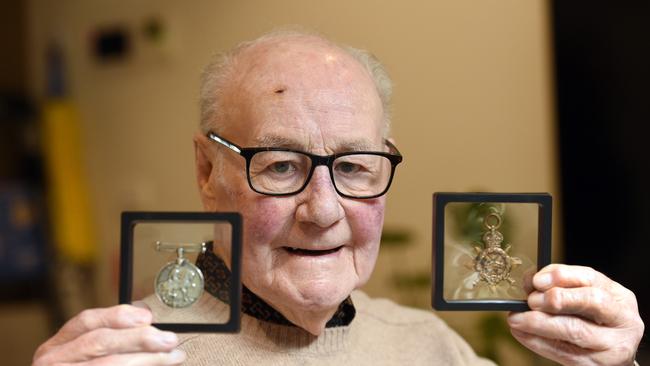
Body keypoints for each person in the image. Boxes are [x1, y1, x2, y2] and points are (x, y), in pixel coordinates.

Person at [32, 30, 644, 366]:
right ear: (207, 168)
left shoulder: (431, 347)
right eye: (279, 165)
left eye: (353, 166)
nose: (324, 210)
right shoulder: (124, 357)